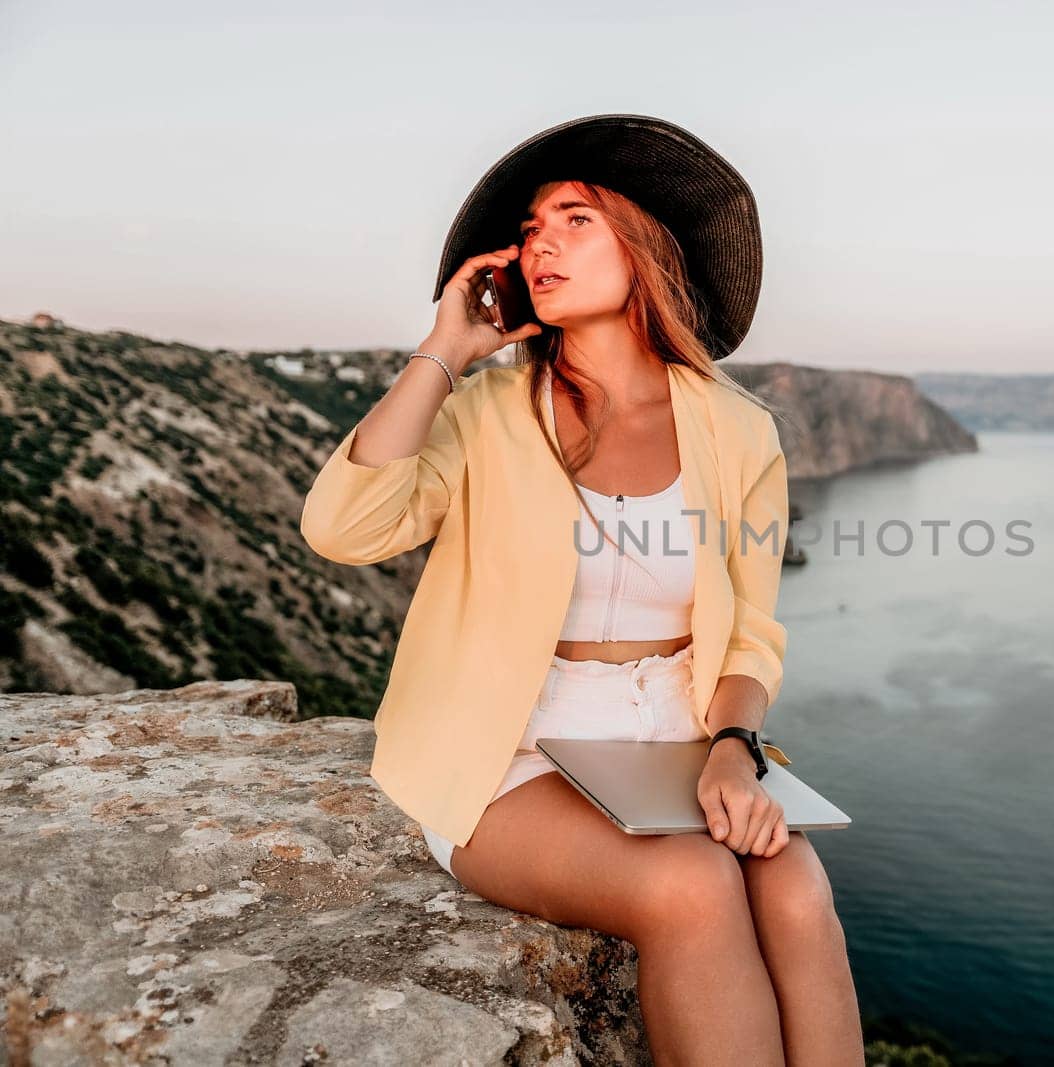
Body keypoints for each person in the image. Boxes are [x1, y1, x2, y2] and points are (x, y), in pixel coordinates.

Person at [299, 115, 863, 1065]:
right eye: (530, 227)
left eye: (575, 219)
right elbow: (344, 529)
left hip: (677, 736)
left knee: (797, 887)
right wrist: (445, 350)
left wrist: (733, 748)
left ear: (645, 246)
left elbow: (750, 633)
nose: (540, 243)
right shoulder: (485, 412)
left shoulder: (737, 431)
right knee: (690, 884)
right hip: (508, 746)